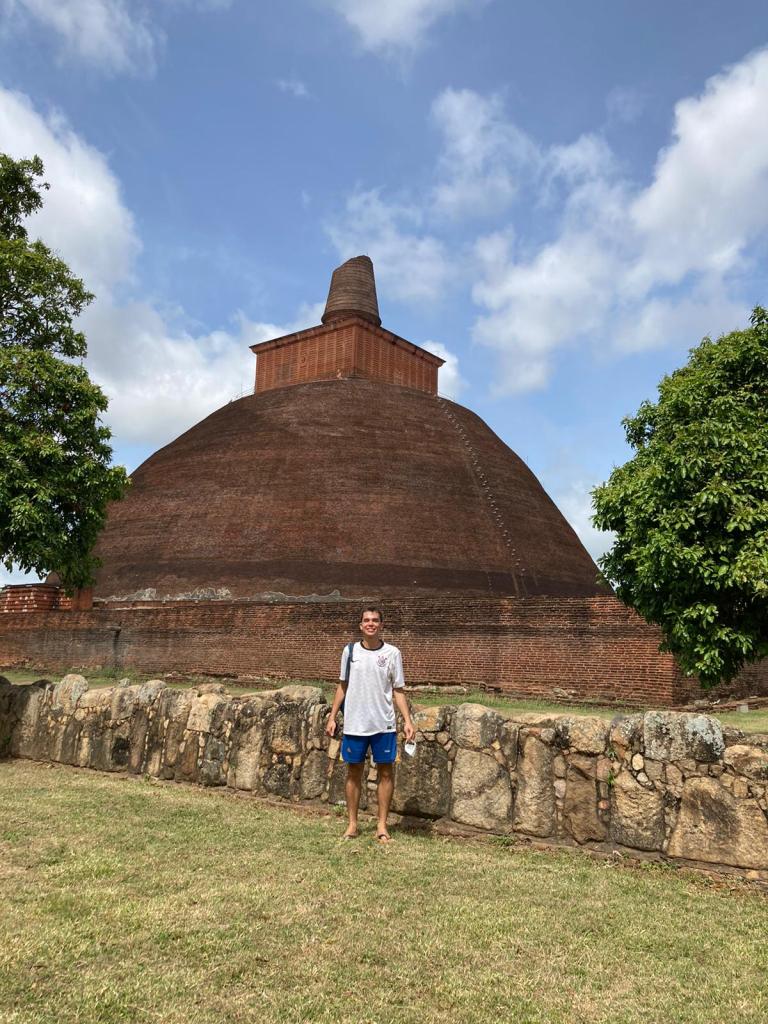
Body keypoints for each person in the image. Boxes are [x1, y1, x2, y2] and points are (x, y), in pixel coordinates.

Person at [325, 606, 415, 843]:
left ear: (381, 625)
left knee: (386, 772)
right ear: (360, 625)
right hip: (355, 723)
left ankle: (382, 825)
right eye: (366, 620)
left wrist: (407, 721)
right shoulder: (350, 651)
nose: (370, 624)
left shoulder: (392, 653)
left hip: (383, 724)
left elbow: (398, 690)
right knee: (354, 771)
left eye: (375, 620)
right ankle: (352, 824)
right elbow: (342, 685)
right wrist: (332, 717)